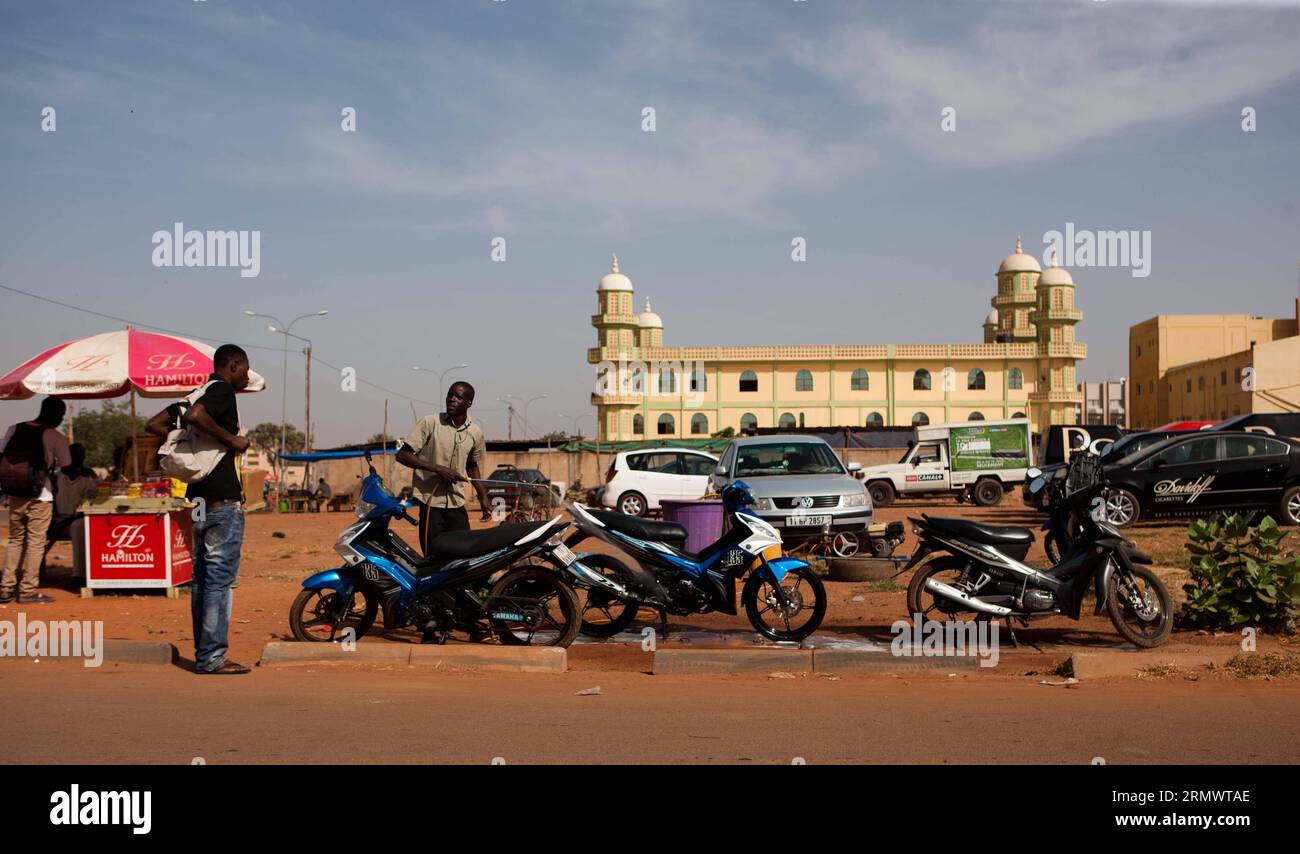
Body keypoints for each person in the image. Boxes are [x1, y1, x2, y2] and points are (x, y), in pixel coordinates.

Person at [146, 344, 253, 675]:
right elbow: (196, 417)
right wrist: (231, 440)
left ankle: (205, 653)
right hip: (222, 501)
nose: (247, 376)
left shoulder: (194, 393)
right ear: (233, 365)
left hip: (198, 501)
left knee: (202, 581)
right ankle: (212, 657)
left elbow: (154, 424)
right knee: (219, 582)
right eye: (245, 369)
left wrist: (188, 444)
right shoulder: (220, 390)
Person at [395, 381, 491, 557]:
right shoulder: (430, 423)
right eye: (450, 395)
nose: (452, 399)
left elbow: (472, 466)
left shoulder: (476, 433)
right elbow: (403, 455)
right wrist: (437, 469)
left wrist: (483, 497)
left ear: (469, 403)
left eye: (458, 397)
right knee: (433, 556)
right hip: (431, 503)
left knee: (464, 554)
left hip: (457, 502)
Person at [1, 397, 72, 604]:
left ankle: (5, 588)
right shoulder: (55, 436)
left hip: (14, 494)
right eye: (60, 415)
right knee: (35, 543)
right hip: (41, 496)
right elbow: (67, 465)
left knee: (15, 541)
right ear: (54, 414)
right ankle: (27, 591)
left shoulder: (14, 429)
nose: (61, 419)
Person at [45, 442, 97, 581]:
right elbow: (50, 501)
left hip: (79, 519)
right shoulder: (57, 477)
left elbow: (94, 499)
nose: (77, 458)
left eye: (80, 455)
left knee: (78, 526)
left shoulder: (89, 476)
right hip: (58, 520)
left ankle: (79, 574)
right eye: (74, 455)